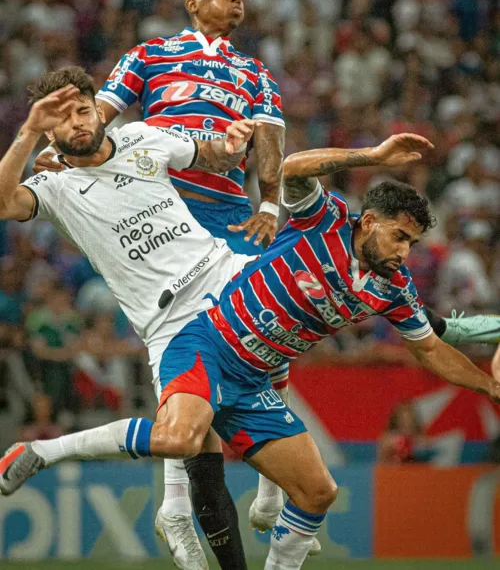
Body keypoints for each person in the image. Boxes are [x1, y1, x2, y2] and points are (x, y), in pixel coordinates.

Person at [5, 134, 500, 570]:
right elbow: (291, 168)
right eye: (398, 236)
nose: (403, 252)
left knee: (318, 491)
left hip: (254, 381)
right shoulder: (323, 220)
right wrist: (370, 154)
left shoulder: (394, 287)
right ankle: (41, 453)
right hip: (207, 341)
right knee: (179, 439)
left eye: (412, 243)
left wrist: (491, 385)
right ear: (368, 221)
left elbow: (433, 350)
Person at [33, 0, 290, 561]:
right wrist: (51, 153)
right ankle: (176, 505)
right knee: (182, 347)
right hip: (161, 202)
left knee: (271, 330)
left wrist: (272, 204)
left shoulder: (254, 73)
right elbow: (97, 115)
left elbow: (270, 145)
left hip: (229, 210)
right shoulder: (149, 55)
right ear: (194, 1)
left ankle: (270, 483)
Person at [0, 67, 258, 570]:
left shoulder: (142, 136)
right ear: (49, 133)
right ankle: (180, 509)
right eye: (59, 119)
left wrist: (229, 144)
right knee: (195, 448)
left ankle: (204, 503)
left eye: (82, 110)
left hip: (225, 280)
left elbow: (206, 154)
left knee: (308, 278)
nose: (75, 123)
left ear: (98, 109)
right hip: (168, 327)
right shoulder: (54, 186)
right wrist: (27, 130)